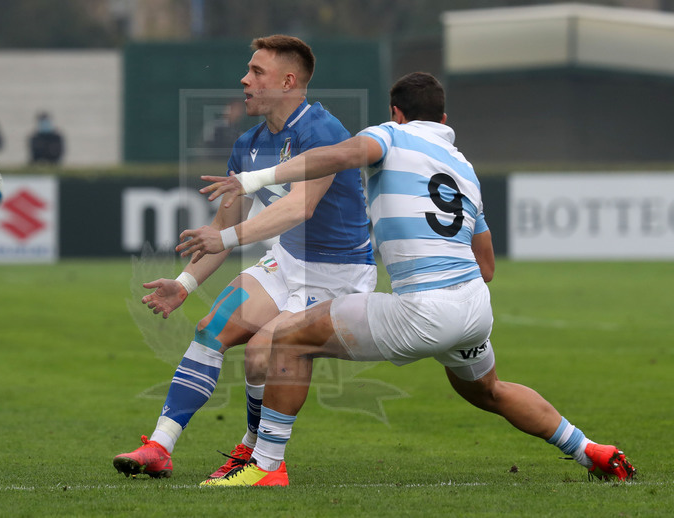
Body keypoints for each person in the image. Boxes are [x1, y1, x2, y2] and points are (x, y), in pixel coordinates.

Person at [194, 72, 636, 486]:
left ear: (396, 112)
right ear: (444, 120)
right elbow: (487, 267)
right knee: (489, 391)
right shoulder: (464, 169)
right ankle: (589, 450)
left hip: (423, 310)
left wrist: (257, 178)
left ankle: (266, 465)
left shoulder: (389, 135)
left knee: (289, 337)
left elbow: (339, 156)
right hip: (473, 307)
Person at [112, 35, 377, 482]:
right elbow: (221, 231)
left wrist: (229, 237)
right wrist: (185, 283)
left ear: (288, 81)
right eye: (248, 71)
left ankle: (259, 458)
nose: (245, 79)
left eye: (257, 72)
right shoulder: (248, 144)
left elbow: (300, 206)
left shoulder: (324, 132)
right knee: (211, 327)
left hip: (337, 276)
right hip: (287, 262)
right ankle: (160, 446)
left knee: (260, 353)